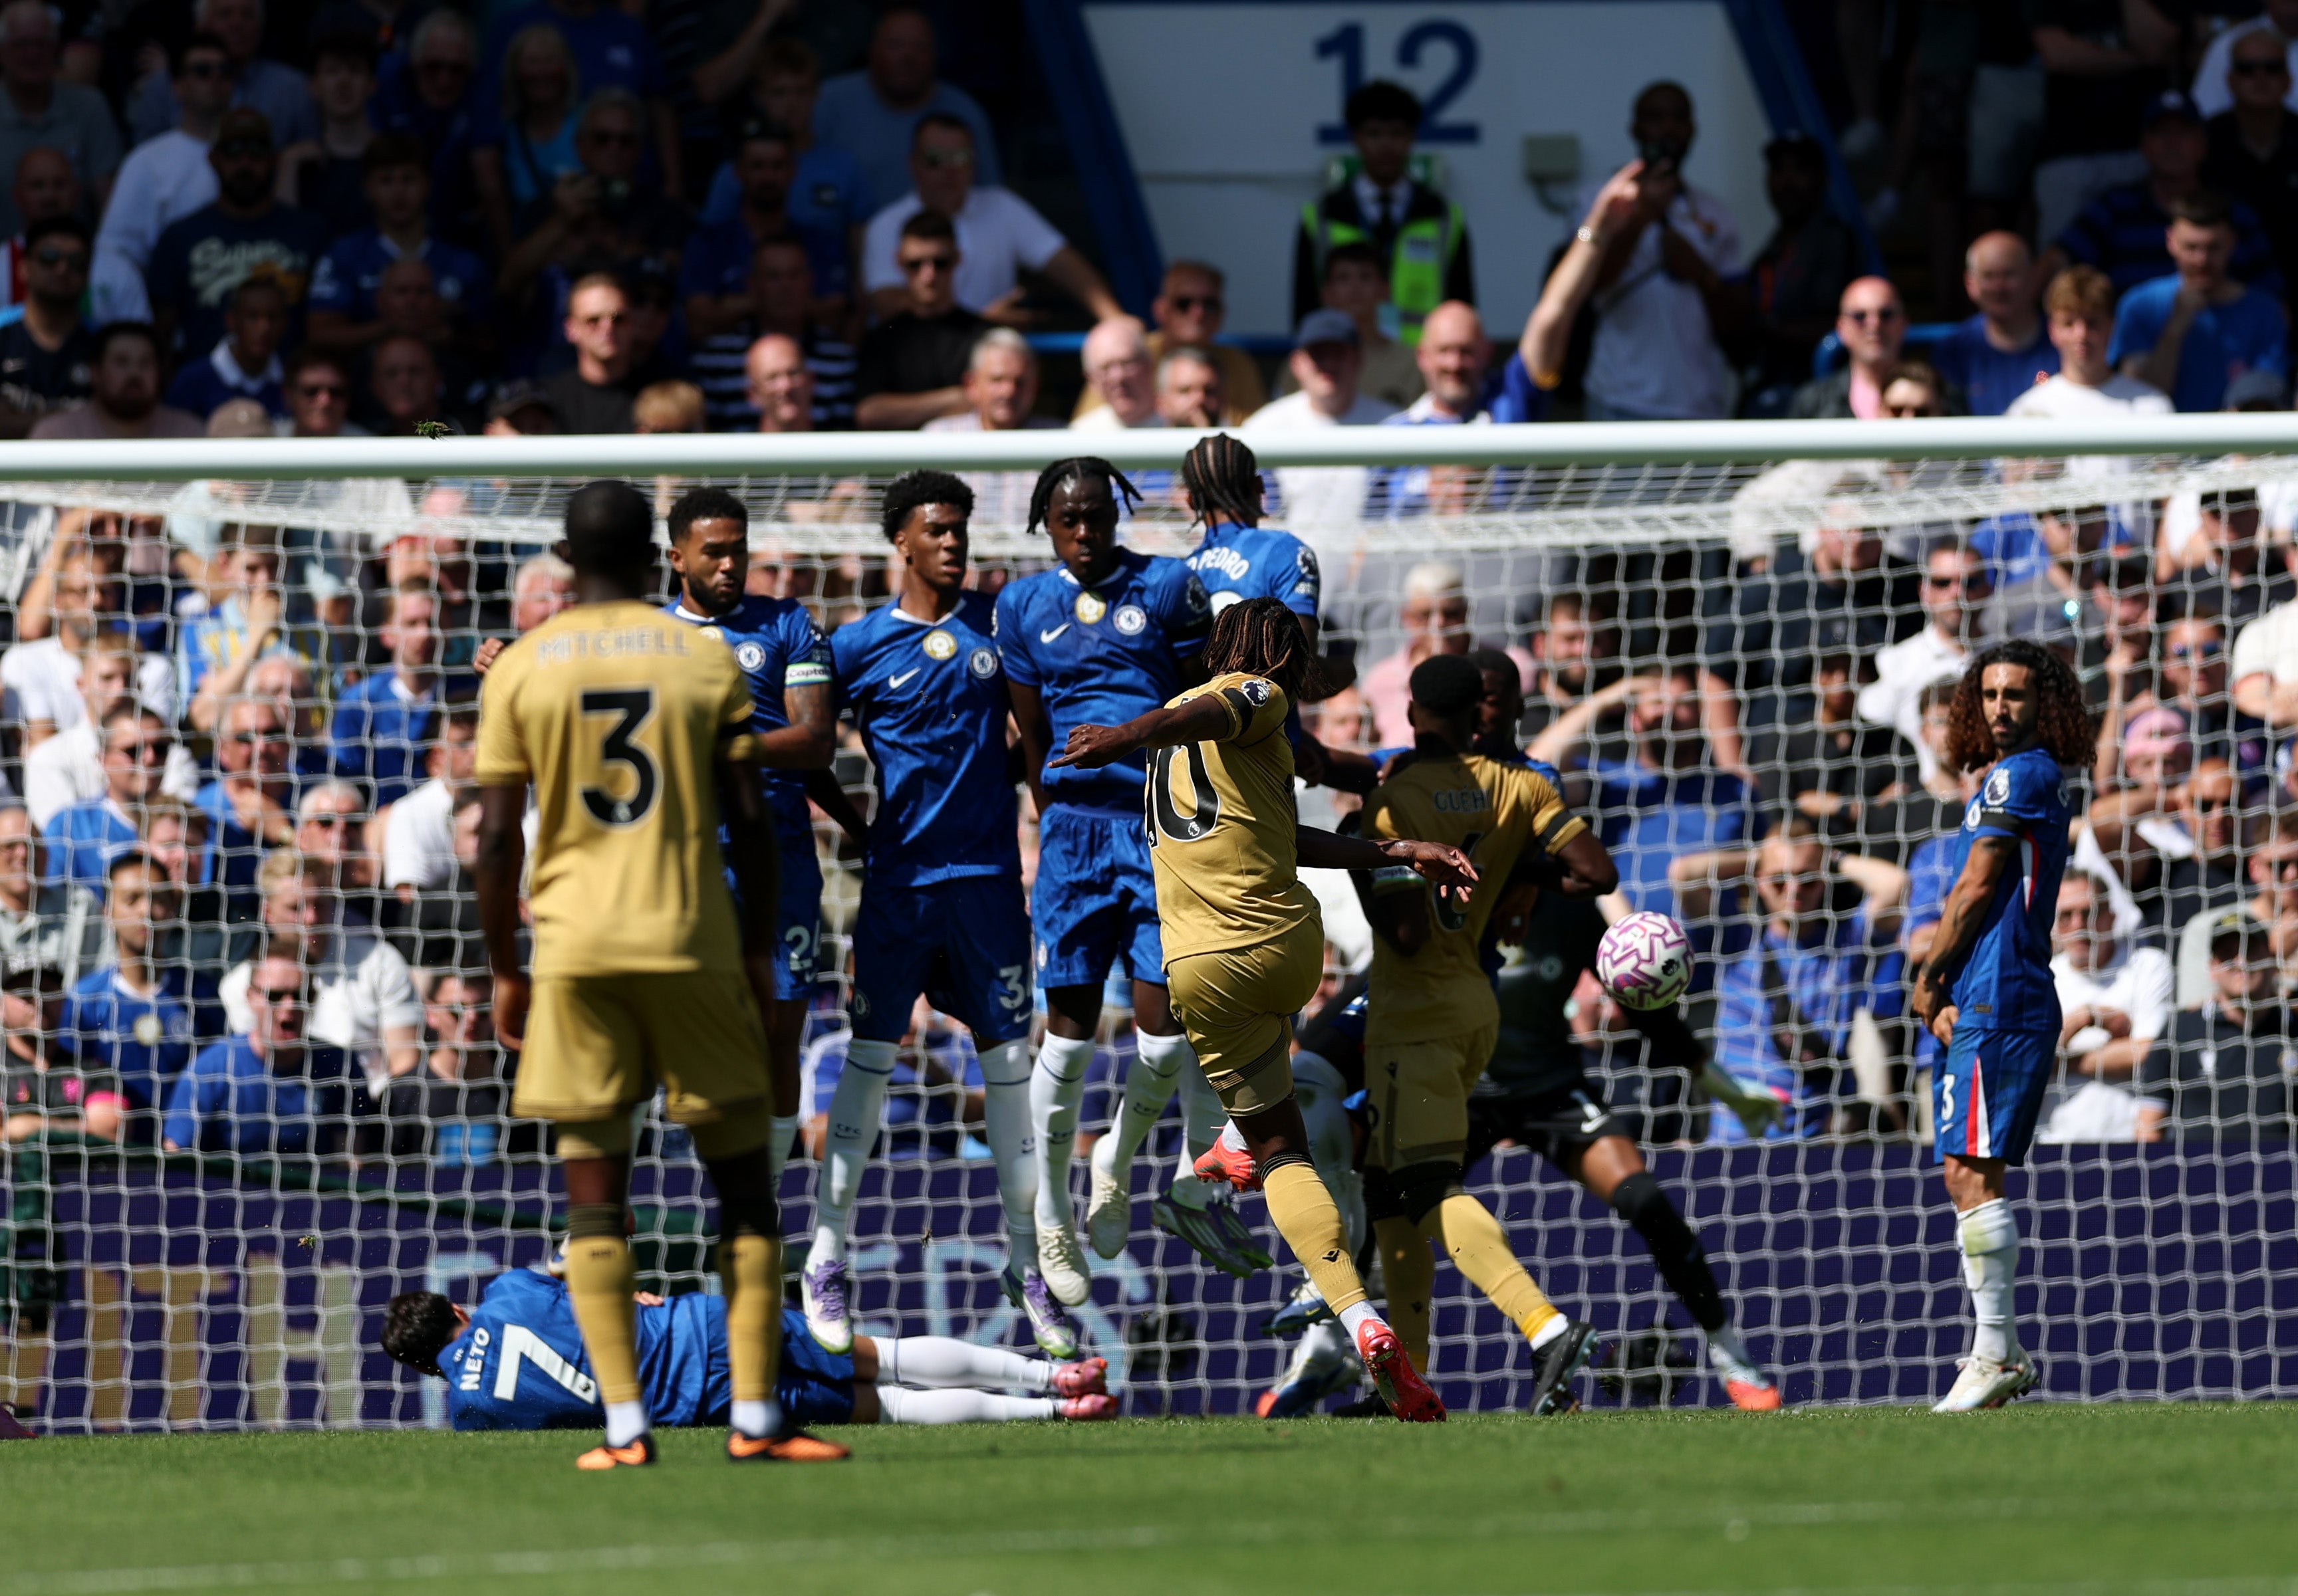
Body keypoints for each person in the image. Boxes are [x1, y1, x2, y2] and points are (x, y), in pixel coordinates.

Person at [474, 478, 836, 1468]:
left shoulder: (524, 666)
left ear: (564, 560)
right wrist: (757, 954)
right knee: (745, 1190)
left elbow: (498, 838)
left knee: (595, 1198)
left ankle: (626, 1430)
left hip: (577, 955)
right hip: (690, 940)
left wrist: (506, 969)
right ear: (653, 558)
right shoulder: (698, 657)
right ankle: (755, 1418)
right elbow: (751, 818)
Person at [1051, 597, 1475, 1421]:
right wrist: (1126, 733)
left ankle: (1346, 1301)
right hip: (1278, 946)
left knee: (1284, 1150)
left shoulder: (1185, 731)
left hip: (1196, 969)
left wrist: (1397, 850)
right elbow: (1230, 707)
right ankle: (1349, 1303)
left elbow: (1281, 829)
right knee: (1283, 1132)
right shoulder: (1255, 694)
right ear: (1277, 654)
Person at [810, 471, 1069, 1358]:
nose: (953, 542)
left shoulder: (1000, 625)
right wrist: (858, 827)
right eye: (937, 530)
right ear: (902, 542)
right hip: (901, 889)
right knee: (870, 1061)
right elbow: (806, 745)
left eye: (960, 529)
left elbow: (1039, 731)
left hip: (990, 884)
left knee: (1009, 1067)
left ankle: (1028, 1263)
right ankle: (827, 1254)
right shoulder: (856, 646)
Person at [1348, 654, 1622, 1411]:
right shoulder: (1522, 785)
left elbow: (1404, 932)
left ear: (1412, 713)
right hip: (1475, 999)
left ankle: (1546, 1327)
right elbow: (1596, 873)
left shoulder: (1395, 799)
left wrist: (1361, 860)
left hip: (1414, 1011)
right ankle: (1405, 1383)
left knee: (1426, 1186)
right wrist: (1518, 877)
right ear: (1480, 715)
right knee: (1387, 1191)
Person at [993, 458, 1219, 1303]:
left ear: (1116, 513)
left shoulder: (1168, 587)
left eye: (1096, 515)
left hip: (1160, 828)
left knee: (1162, 1039)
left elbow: (1200, 705)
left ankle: (1115, 1161)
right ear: (1046, 524)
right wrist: (1052, 816)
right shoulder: (1022, 605)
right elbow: (1030, 732)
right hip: (1074, 839)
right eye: (1068, 519)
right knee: (1069, 1037)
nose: (1085, 531)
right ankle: (1052, 1209)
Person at [1908, 639, 2089, 1411]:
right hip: (1984, 992)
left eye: (2015, 694)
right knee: (1963, 1170)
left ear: (2043, 702)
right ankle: (2000, 1348)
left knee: (1974, 1173)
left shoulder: (2024, 774)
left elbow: (1978, 886)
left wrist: (1928, 977)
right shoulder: (2002, 777)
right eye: (1988, 694)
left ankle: (1994, 1354)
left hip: (2005, 996)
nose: (2000, 708)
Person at [658, 487, 834, 1201]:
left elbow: (815, 739)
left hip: (777, 854)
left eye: (739, 551)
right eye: (714, 553)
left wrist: (720, 747)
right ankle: (654, 1195)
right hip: (679, 861)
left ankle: (765, 1200)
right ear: (678, 558)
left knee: (778, 1031)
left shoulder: (787, 622)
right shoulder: (643, 635)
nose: (731, 564)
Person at [380, 1268, 1114, 1431]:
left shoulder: (471, 1412)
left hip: (700, 1400)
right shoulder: (507, 1292)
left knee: (881, 1406)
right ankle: (1054, 1373)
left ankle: (1056, 1413)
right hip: (700, 1326)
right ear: (456, 1308)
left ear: (424, 1367)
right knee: (882, 1355)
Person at [1676, 821, 1910, 1141]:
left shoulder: (1846, 946)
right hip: (1735, 1138)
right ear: (1760, 882)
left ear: (1823, 881)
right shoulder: (1735, 942)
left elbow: (1896, 884)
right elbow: (1684, 874)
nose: (1794, 889)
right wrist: (1759, 856)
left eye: (1807, 879)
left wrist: (1831, 858)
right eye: (1779, 880)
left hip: (1812, 1137)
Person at [860, 114, 1118, 328]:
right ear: (914, 164)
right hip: (918, 364)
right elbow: (890, 309)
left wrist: (1116, 320)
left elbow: (1065, 264)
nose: (949, 170)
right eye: (936, 159)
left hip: (993, 364)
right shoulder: (886, 226)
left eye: (960, 157)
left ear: (974, 163)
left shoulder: (1002, 206)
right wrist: (980, 325)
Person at [1580, 81, 1740, 421]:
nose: (1668, 129)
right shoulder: (1598, 201)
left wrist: (1701, 274)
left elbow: (1739, 323)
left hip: (1699, 404)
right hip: (1620, 398)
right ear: (1635, 129)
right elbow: (1581, 284)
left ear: (1692, 130)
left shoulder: (1716, 214)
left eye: (1678, 119)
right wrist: (1638, 220)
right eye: (1655, 118)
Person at [2046, 92, 2279, 299]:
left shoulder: (2236, 214)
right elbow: (2058, 262)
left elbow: (2274, 302)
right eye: (2161, 132)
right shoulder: (2113, 208)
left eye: (2183, 132)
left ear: (2203, 144)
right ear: (2143, 145)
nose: (2172, 143)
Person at [1291, 80, 1471, 344]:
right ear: (1356, 138)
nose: (1386, 145)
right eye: (1374, 134)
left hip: (1422, 358)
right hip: (1343, 356)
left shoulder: (1443, 217)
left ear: (1412, 137)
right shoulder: (1322, 216)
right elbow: (1304, 308)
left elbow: (1463, 309)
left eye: (1396, 134)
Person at [145, 108, 326, 364]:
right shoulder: (180, 237)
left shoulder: (311, 231)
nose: (245, 164)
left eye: (256, 153)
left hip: (290, 382)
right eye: (233, 152)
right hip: (205, 384)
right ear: (214, 160)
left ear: (275, 160)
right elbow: (161, 336)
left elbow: (325, 324)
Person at [53, 849, 208, 1139]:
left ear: (172, 908)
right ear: (107, 913)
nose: (146, 911)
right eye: (132, 899)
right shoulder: (84, 1002)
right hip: (111, 1156)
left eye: (157, 899)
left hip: (186, 1155)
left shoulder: (201, 994)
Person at [306, 134, 490, 356]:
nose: (398, 191)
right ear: (368, 188)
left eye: (408, 179)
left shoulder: (464, 263)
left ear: (428, 184)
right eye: (386, 180)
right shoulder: (342, 256)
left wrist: (452, 337)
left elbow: (489, 342)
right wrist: (391, 328)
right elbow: (320, 334)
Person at [90, 33, 231, 322]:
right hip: (173, 317)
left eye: (225, 71)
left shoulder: (254, 156)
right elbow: (117, 253)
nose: (216, 79)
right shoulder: (146, 161)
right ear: (177, 87)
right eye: (202, 71)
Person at [162, 952, 355, 1157]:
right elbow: (175, 1159)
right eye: (275, 996)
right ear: (251, 997)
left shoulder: (339, 1067)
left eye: (301, 995)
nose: (289, 1006)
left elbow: (349, 1163)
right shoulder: (209, 1072)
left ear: (314, 998)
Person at [2111, 191, 2288, 413]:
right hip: (2161, 435)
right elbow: (2138, 399)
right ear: (2171, 241)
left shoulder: (2265, 312)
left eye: (2213, 248)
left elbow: (2266, 401)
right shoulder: (2139, 306)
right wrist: (2174, 330)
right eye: (2191, 247)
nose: (2201, 260)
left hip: (2238, 436)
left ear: (2232, 242)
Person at [1241, 309, 1396, 562]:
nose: (1329, 364)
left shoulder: (1393, 425)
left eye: (1338, 353)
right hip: (1287, 572)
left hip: (1372, 570)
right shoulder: (1263, 428)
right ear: (1297, 363)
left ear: (1358, 360)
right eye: (1318, 355)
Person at [811, 8, 998, 212]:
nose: (908, 56)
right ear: (872, 51)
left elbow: (989, 196)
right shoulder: (828, 100)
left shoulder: (965, 112)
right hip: (848, 229)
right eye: (896, 45)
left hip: (946, 228)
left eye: (920, 46)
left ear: (936, 55)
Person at [682, 119, 847, 344]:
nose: (768, 176)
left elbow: (834, 317)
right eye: (757, 166)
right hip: (727, 362)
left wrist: (739, 304)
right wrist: (795, 301)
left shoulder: (821, 242)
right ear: (738, 171)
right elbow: (698, 323)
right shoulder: (708, 242)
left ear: (793, 171)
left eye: (777, 166)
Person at [2137, 912, 2294, 1143]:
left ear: (2271, 960)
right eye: (2228, 955)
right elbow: (2148, 1127)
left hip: (2283, 1164)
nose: (2241, 963)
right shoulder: (2180, 1031)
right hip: (2199, 1165)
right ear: (2212, 968)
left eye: (2250, 951)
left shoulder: (2292, 1028)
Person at [2040, 868, 2170, 1143]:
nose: (2079, 925)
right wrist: (2084, 1017)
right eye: (2066, 915)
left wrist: (2061, 1062)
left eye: (2090, 912)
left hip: (2128, 1140)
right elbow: (2028, 1062)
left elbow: (2148, 1054)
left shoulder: (2147, 965)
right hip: (2055, 1141)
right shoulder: (2042, 978)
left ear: (2111, 916)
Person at [1739, 132, 1861, 415]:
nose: (1788, 181)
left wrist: (1762, 328)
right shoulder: (1769, 253)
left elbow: (1834, 323)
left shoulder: (1835, 242)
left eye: (1800, 170)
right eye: (1779, 170)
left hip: (1817, 393)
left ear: (1823, 179)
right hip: (1766, 385)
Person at [1857, 542, 1993, 781]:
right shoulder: (1896, 663)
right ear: (1924, 591)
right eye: (1943, 583)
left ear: (1987, 589)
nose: (1957, 593)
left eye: (1970, 582)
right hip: (1930, 798)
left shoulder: (2012, 661)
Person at [1075, 259, 1263, 423]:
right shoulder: (1129, 355)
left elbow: (1253, 429)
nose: (1198, 313)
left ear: (1222, 313)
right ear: (1161, 310)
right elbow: (1091, 426)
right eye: (1184, 303)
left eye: (1209, 304)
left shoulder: (1238, 363)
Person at [851, 211, 985, 429]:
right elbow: (868, 412)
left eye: (940, 263)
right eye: (915, 264)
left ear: (957, 259)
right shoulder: (882, 338)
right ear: (899, 261)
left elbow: (998, 402)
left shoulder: (985, 336)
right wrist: (955, 398)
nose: (929, 275)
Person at [127, 0, 314, 150]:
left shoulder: (293, 87)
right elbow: (147, 155)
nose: (237, 23)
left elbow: (309, 152)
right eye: (225, 14)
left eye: (247, 15)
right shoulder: (165, 84)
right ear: (200, 25)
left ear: (261, 28)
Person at [923, 328, 1058, 524]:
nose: (1009, 391)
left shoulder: (1059, 440)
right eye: (997, 380)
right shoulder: (938, 438)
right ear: (971, 384)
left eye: (1019, 382)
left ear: (1035, 387)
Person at [328, 581, 443, 808]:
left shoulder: (463, 694)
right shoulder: (360, 702)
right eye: (412, 624)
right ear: (387, 634)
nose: (424, 634)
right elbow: (345, 780)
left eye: (432, 622)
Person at [1373, 300, 1491, 517]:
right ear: (1422, 355)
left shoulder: (1505, 417)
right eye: (1444, 350)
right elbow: (1369, 526)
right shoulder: (1391, 435)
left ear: (1485, 353)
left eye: (1466, 351)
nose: (1454, 364)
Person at [2202, 29, 2298, 295]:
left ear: (2288, 80)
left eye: (2272, 68)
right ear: (2231, 81)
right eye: (2247, 69)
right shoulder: (2204, 141)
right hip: (2224, 284)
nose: (2260, 77)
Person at [1930, 233, 2059, 417]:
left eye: (2009, 274)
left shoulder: (2066, 341)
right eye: (1989, 276)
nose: (1999, 287)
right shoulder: (1953, 351)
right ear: (1970, 283)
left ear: (2033, 276)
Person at [1287, 239, 1421, 411]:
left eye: (1365, 277)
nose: (1355, 287)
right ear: (1326, 293)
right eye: (1343, 278)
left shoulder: (1411, 362)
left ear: (1385, 290)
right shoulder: (1305, 362)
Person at [277, 30, 378, 239]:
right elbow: (282, 242)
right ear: (313, 87)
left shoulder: (393, 158)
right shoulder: (296, 162)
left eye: (355, 70)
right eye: (332, 71)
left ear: (372, 85)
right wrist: (288, 165)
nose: (344, 81)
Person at [29, 321, 202, 441]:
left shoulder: (190, 434)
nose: (134, 373)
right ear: (95, 372)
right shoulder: (55, 435)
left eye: (145, 363)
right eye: (121, 362)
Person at [1790, 277, 1920, 419]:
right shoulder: (1812, 402)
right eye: (1859, 316)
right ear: (1842, 328)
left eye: (1886, 314)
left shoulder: (1935, 396)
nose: (1874, 325)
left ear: (1904, 323)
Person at [165, 275, 287, 421]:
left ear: (285, 323)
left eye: (272, 317)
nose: (264, 328)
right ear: (231, 320)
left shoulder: (295, 381)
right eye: (253, 317)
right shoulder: (190, 382)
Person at [538, 272, 638, 434]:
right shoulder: (544, 403)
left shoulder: (664, 399)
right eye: (594, 320)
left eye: (618, 319)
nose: (608, 328)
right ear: (570, 329)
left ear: (633, 323)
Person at [1071, 316, 1159, 431]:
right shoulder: (1081, 435)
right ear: (1091, 379)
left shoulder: (1177, 425)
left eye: (1126, 363)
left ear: (1149, 365)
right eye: (1106, 368)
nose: (1118, 377)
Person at [1156, 344, 1225, 429]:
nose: (1199, 398)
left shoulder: (1240, 435)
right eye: (1185, 390)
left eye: (1209, 391)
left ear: (1224, 398)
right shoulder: (1143, 437)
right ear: (1161, 403)